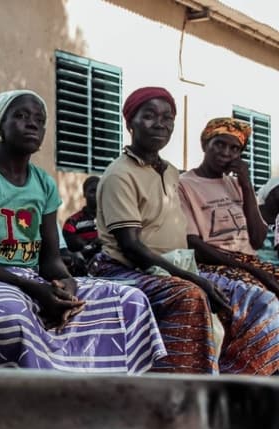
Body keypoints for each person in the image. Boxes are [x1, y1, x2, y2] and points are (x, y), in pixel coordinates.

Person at [0, 89, 166, 373]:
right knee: (12, 315)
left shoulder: (44, 183)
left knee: (129, 300)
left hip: (31, 279)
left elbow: (50, 259)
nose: (32, 124)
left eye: (39, 119)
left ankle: (102, 388)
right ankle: (22, 392)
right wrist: (35, 289)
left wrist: (65, 283)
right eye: (21, 116)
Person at [90, 87, 279, 375]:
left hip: (175, 263)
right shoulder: (120, 174)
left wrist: (246, 184)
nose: (160, 124)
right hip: (132, 266)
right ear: (130, 123)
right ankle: (217, 381)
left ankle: (238, 378)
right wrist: (193, 277)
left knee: (250, 298)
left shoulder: (168, 171)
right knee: (201, 295)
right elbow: (132, 248)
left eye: (167, 117)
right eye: (149, 115)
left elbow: (256, 236)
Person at [178, 117, 279, 296]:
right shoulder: (183, 184)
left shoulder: (237, 184)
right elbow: (193, 244)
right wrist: (251, 269)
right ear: (205, 145)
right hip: (213, 264)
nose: (226, 153)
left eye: (234, 149)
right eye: (219, 144)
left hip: (250, 261)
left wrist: (246, 185)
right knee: (260, 295)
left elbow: (257, 240)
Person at [62, 176, 102, 262]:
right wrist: (93, 245)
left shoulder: (111, 218)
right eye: (92, 191)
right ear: (84, 193)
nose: (96, 194)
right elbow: (67, 251)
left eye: (99, 191)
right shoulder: (72, 222)